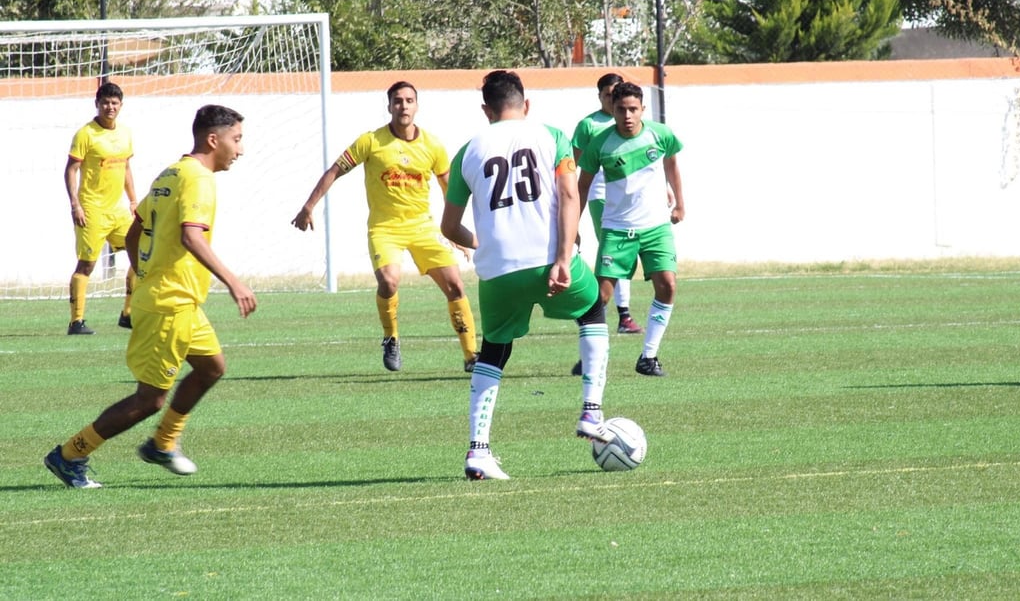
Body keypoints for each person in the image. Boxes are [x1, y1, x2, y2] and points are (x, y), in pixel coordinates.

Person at [44, 105, 257, 489]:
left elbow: (135, 229)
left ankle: (163, 442)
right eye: (237, 139)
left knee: (212, 367)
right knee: (149, 400)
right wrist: (233, 282)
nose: (240, 150)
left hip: (178, 300)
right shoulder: (200, 179)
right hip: (168, 304)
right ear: (214, 139)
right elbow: (191, 236)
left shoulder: (171, 172)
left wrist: (144, 273)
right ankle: (71, 453)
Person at [440, 70, 615, 481]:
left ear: (486, 110)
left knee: (494, 352)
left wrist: (482, 245)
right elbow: (570, 194)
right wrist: (561, 256)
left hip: (498, 271)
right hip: (547, 257)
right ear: (527, 104)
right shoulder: (552, 135)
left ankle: (478, 451)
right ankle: (591, 412)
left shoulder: (466, 150)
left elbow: (449, 228)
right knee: (592, 311)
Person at [292, 81, 478, 373]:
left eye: (409, 100)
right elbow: (335, 170)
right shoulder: (371, 141)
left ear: (417, 106)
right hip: (385, 228)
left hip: (423, 228)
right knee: (389, 281)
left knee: (455, 284)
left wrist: (455, 231)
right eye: (398, 101)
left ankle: (471, 356)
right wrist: (308, 206)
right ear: (389, 106)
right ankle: (391, 338)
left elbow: (449, 189)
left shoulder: (433, 145)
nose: (403, 106)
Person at [576, 82, 685, 377]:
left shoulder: (660, 134)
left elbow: (672, 165)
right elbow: (582, 186)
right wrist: (573, 225)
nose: (627, 115)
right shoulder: (600, 143)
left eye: (633, 109)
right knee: (600, 297)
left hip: (655, 228)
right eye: (621, 109)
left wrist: (679, 205)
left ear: (642, 110)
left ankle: (648, 356)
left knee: (668, 285)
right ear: (612, 109)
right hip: (617, 229)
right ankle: (589, 354)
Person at [63, 82, 138, 335]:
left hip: (117, 211)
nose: (110, 107)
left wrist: (133, 200)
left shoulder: (125, 133)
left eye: (115, 103)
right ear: (97, 104)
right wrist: (75, 204)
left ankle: (127, 314)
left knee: (142, 253)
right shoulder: (86, 134)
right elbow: (71, 170)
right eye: (106, 102)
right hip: (91, 210)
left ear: (121, 106)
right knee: (87, 265)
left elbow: (126, 168)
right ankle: (76, 322)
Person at [572, 73, 642, 335]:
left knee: (623, 254)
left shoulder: (632, 123)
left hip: (631, 198)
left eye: (617, 95)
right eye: (608, 95)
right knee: (616, 252)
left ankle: (602, 311)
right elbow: (572, 164)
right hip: (602, 196)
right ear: (600, 96)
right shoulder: (589, 125)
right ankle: (622, 315)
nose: (614, 101)